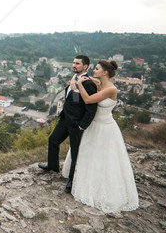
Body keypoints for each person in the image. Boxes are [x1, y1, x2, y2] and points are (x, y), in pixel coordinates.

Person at [62, 60, 139, 213]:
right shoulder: (98, 83)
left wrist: (81, 85)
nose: (94, 70)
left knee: (104, 160)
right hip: (94, 124)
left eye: (97, 69)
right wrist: (75, 81)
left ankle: (104, 190)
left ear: (105, 72)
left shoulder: (111, 89)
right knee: (88, 155)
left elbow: (89, 100)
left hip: (105, 127)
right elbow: (77, 77)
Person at [38, 55, 98, 193]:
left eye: (77, 63)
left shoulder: (88, 84)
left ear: (86, 66)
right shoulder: (75, 79)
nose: (74, 65)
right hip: (65, 119)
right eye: (73, 62)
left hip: (76, 124)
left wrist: (82, 125)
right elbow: (76, 101)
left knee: (75, 152)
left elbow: (91, 108)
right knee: (53, 140)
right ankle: (53, 166)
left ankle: (72, 180)